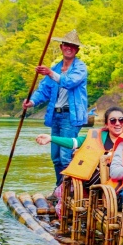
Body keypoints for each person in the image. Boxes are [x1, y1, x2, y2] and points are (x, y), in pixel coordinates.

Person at [23, 30, 88, 185]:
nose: (69, 48)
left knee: (66, 156)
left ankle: (67, 191)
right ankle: (59, 187)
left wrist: (50, 73)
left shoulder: (80, 68)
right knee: (56, 157)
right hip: (56, 116)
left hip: (70, 116)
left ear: (77, 50)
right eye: (66, 45)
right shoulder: (56, 68)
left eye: (73, 46)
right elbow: (44, 90)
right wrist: (31, 102)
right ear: (61, 47)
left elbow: (70, 82)